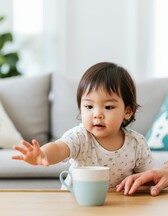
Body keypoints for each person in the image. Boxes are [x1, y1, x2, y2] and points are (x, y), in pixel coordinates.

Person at [11, 61, 155, 190]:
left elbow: (146, 178)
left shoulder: (136, 143)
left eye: (108, 107)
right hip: (76, 201)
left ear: (127, 112)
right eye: (89, 106)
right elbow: (59, 149)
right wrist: (43, 154)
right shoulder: (80, 137)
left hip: (116, 206)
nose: (97, 114)